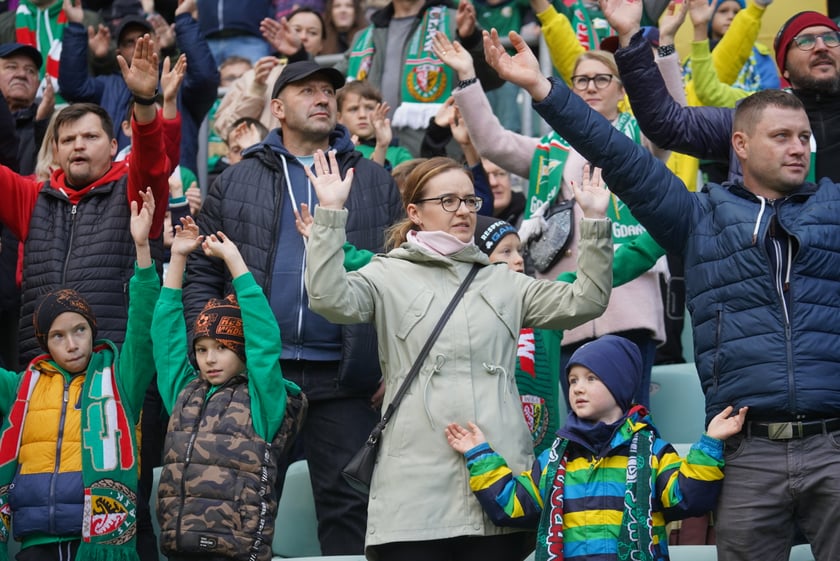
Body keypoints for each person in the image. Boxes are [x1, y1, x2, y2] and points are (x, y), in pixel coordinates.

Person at [484, 23, 840, 561]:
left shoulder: (834, 209)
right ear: (739, 145)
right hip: (745, 450)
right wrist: (543, 90)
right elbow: (621, 156)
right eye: (782, 137)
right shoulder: (698, 217)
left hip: (834, 445)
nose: (798, 149)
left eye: (803, 138)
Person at [302, 153, 613, 559]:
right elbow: (328, 298)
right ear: (415, 212)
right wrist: (329, 213)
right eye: (447, 201)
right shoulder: (386, 274)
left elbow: (586, 300)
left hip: (500, 485)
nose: (463, 210)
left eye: (469, 201)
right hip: (414, 493)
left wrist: (592, 223)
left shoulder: (504, 282)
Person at [183, 60, 402, 555]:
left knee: (350, 505)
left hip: (347, 379)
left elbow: (398, 281)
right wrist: (209, 340)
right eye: (307, 91)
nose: (322, 98)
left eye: (328, 90)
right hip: (258, 373)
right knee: (243, 503)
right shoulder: (236, 180)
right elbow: (202, 272)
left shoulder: (372, 180)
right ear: (277, 108)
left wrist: (394, 357)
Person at [436, 32, 669, 407]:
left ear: (622, 90)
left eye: (601, 79)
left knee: (630, 418)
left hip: (627, 302)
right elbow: (493, 142)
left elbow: (670, 118)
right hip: (564, 304)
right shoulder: (550, 149)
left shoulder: (643, 137)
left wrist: (668, 49)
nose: (590, 87)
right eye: (581, 81)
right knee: (580, 420)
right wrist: (467, 76)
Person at [446, 335, 748, 560]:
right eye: (573, 379)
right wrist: (480, 456)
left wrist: (710, 444)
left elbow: (688, 499)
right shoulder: (555, 457)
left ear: (620, 384)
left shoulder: (652, 452)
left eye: (591, 378)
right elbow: (511, 506)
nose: (578, 387)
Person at [0, 188, 160, 560]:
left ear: (93, 331)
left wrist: (142, 250)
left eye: (80, 330)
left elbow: (143, 327)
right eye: (58, 336)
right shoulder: (22, 384)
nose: (71, 343)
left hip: (98, 544)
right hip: (35, 541)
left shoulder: (121, 381)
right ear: (45, 344)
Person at [0, 34, 169, 369]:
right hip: (40, 369)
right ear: (57, 151)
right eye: (68, 139)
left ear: (111, 146)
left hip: (115, 365)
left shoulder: (131, 192)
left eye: (90, 137)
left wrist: (144, 101)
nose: (78, 145)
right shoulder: (32, 197)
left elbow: (151, 160)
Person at [152, 217, 305, 561]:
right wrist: (177, 258)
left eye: (222, 348)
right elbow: (166, 338)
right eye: (203, 349)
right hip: (180, 547)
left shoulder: (262, 399)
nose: (210, 359)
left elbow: (264, 340)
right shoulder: (185, 392)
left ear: (241, 351)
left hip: (238, 550)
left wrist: (234, 262)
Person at [606, 4, 840, 184]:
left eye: (832, 38)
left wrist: (667, 42)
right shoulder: (753, 117)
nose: (822, 47)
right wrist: (630, 36)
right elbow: (670, 121)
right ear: (784, 67)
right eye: (805, 41)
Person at [59, 0, 220, 176]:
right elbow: (72, 87)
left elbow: (205, 79)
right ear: (118, 52)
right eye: (129, 42)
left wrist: (184, 19)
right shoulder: (106, 86)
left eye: (144, 37)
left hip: (174, 189)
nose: (138, 44)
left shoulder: (175, 81)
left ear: (158, 42)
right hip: (115, 191)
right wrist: (75, 26)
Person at [340, 0, 504, 157]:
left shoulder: (456, 21)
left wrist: (471, 39)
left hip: (436, 154)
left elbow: (494, 77)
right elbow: (333, 85)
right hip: (377, 157)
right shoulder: (365, 36)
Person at [336, 80, 414, 168]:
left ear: (381, 111)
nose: (362, 115)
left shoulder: (399, 154)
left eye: (369, 108)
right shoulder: (334, 152)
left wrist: (382, 147)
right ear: (338, 117)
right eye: (353, 109)